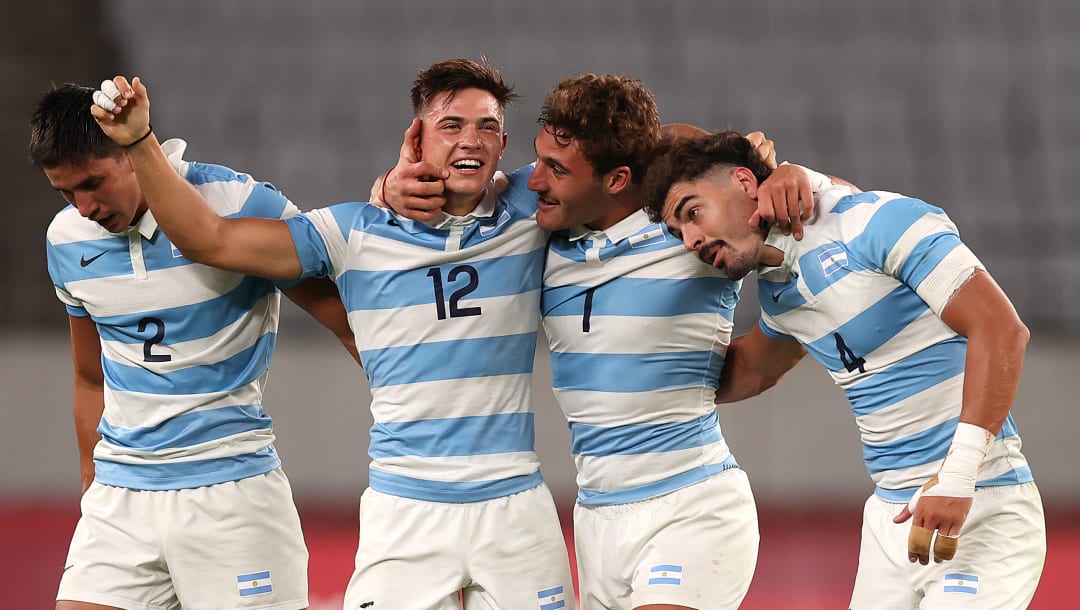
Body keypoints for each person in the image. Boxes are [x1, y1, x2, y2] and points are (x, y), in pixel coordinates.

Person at [88, 60, 575, 610]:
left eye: (487, 127)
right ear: (416, 137)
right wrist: (139, 141)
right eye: (452, 125)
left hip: (516, 507)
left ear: (505, 141)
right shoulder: (352, 232)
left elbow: (636, 159)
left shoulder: (534, 209)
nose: (473, 140)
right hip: (404, 511)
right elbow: (213, 241)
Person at [379, 74, 836, 610]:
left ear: (618, 179)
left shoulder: (686, 226)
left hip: (691, 504)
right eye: (540, 159)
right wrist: (389, 185)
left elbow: (819, 224)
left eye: (557, 169)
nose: (533, 181)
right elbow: (455, 201)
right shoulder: (538, 225)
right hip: (596, 519)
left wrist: (789, 178)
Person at [641, 131, 1046, 609]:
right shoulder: (778, 292)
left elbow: (1002, 331)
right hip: (890, 521)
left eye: (693, 212)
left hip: (978, 502)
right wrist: (633, 377)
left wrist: (959, 477)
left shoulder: (876, 222)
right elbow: (750, 370)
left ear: (746, 182)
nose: (691, 240)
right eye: (679, 231)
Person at [33, 83, 358, 610]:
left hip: (231, 495)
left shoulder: (241, 203)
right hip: (120, 500)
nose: (84, 207)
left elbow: (347, 322)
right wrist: (93, 487)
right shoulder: (65, 240)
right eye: (66, 193)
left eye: (93, 183)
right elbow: (90, 378)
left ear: (131, 150)